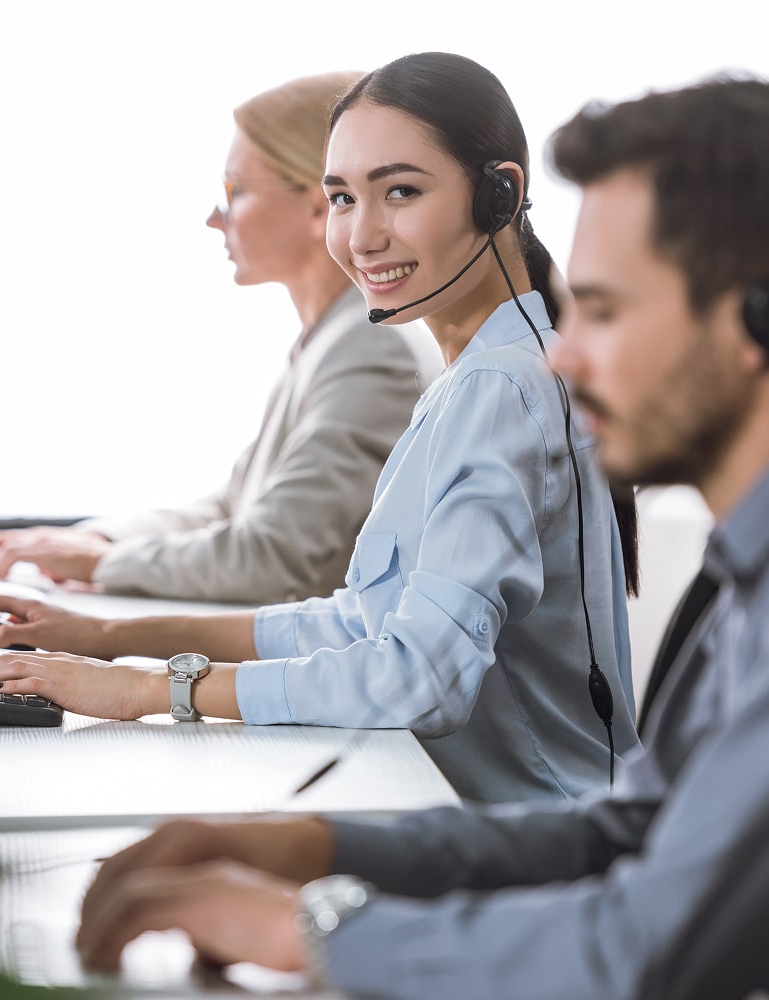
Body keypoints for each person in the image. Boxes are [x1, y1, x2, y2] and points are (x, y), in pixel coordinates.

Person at [63, 72, 769, 999]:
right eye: (342, 198)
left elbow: (634, 946)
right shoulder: (739, 587)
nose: (564, 350)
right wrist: (315, 844)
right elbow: (620, 830)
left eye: (603, 309)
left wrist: (315, 929)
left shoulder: (501, 389)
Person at [0, 52, 641, 806]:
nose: (363, 235)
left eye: (400, 192)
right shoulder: (483, 374)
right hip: (485, 817)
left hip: (540, 842)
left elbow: (421, 677)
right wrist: (112, 640)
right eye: (342, 198)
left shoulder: (501, 389)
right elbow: (359, 621)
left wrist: (149, 691)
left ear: (499, 195)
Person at [0, 71, 441, 606]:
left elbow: (273, 558)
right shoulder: (329, 339)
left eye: (236, 190)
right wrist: (97, 539)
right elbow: (231, 508)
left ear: (317, 205)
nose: (215, 216)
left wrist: (102, 563)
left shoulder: (371, 349)